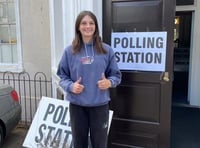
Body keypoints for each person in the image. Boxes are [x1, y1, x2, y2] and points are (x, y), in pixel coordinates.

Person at [57, 10, 121, 148]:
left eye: (91, 23)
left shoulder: (106, 50)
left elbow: (116, 75)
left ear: (96, 27)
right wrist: (71, 86)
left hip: (100, 107)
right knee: (79, 144)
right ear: (78, 27)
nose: (88, 26)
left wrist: (109, 82)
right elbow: (62, 76)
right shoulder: (70, 51)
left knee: (99, 144)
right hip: (77, 107)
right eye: (84, 23)